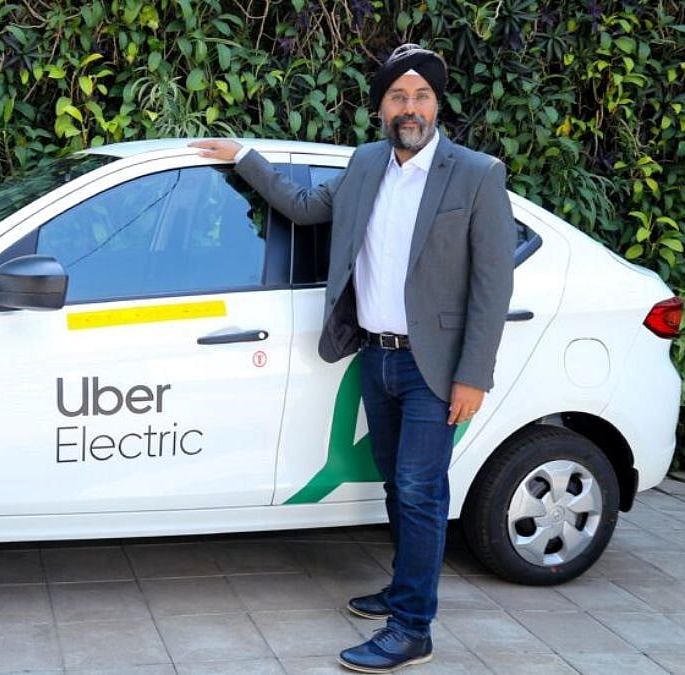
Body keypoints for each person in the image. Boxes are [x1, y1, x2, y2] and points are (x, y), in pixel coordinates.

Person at [191, 43, 515, 672]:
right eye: (398, 97)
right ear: (381, 108)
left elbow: (492, 285)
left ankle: (412, 628)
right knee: (397, 483)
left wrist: (473, 375)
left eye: (421, 96)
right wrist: (244, 158)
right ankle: (404, 589)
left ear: (437, 105)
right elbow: (305, 207)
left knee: (420, 489)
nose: (410, 107)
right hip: (376, 355)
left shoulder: (476, 174)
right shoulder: (366, 164)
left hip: (435, 367)